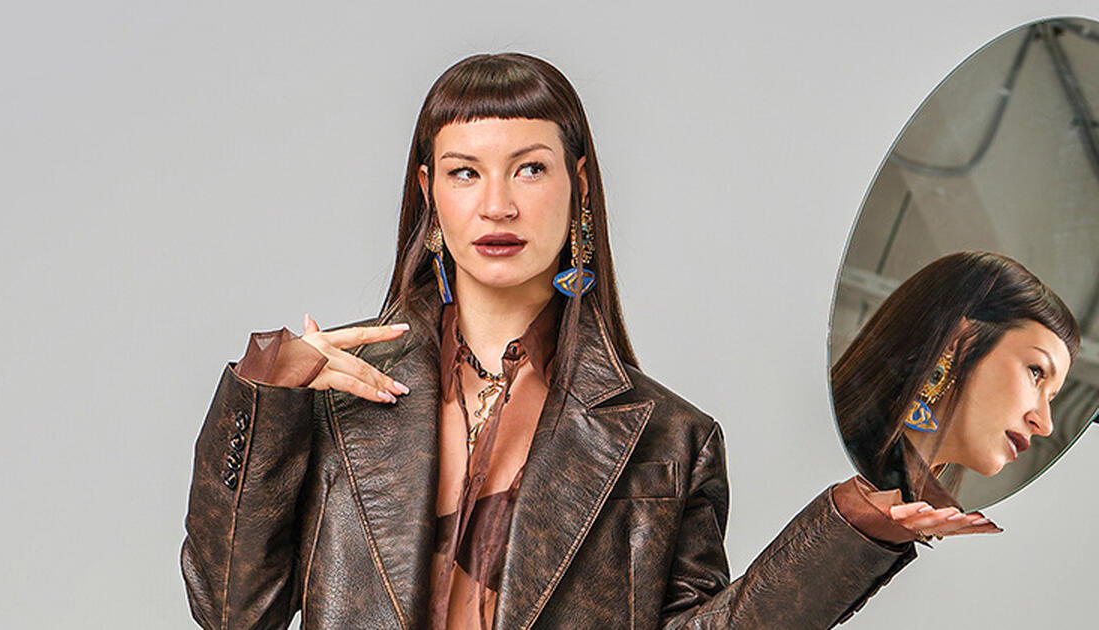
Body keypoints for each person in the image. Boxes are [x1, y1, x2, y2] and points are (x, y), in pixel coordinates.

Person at [181, 53, 986, 630]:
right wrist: (264, 393)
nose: (497, 204)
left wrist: (849, 530)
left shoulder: (670, 440)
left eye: (529, 169)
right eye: (465, 172)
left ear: (579, 186)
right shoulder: (331, 404)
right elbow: (231, 613)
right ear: (430, 193)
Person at [833, 251, 1080, 530]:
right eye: (1036, 372)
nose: (1045, 424)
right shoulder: (832, 458)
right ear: (957, 339)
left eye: (1051, 398)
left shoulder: (926, 520)